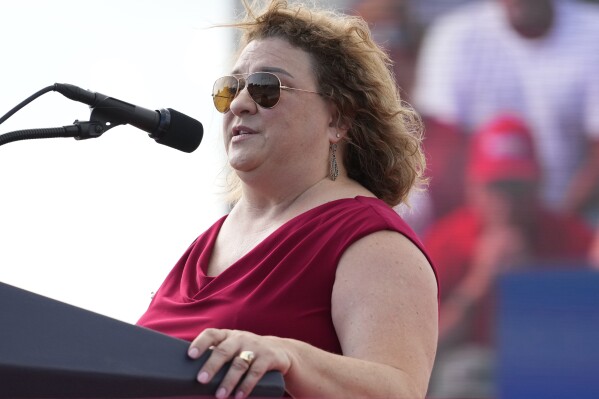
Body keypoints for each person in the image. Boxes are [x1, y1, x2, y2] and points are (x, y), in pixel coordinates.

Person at [137, 1, 439, 398]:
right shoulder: (204, 244)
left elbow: (399, 391)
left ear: (338, 119)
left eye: (265, 88)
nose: (241, 104)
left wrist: (290, 357)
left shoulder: (373, 242)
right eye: (230, 89)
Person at [424, 115, 594, 398]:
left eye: (517, 188)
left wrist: (533, 285)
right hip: (472, 371)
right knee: (460, 375)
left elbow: (583, 346)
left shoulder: (573, 239)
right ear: (472, 187)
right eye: (496, 188)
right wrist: (478, 284)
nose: (507, 203)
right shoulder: (446, 241)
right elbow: (425, 349)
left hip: (550, 372)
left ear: (538, 185)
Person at [413, 0, 599, 223]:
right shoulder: (455, 35)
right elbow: (442, 147)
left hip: (575, 212)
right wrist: (490, 224)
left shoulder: (592, 30)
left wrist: (555, 227)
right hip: (480, 210)